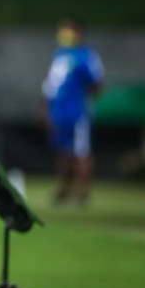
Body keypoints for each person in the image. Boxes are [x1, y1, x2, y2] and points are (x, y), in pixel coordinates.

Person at [41, 17, 104, 205]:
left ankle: (83, 192)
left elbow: (97, 83)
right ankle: (65, 189)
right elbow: (51, 85)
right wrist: (45, 108)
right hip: (58, 112)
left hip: (77, 112)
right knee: (63, 152)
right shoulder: (60, 54)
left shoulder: (87, 56)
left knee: (81, 152)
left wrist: (80, 94)